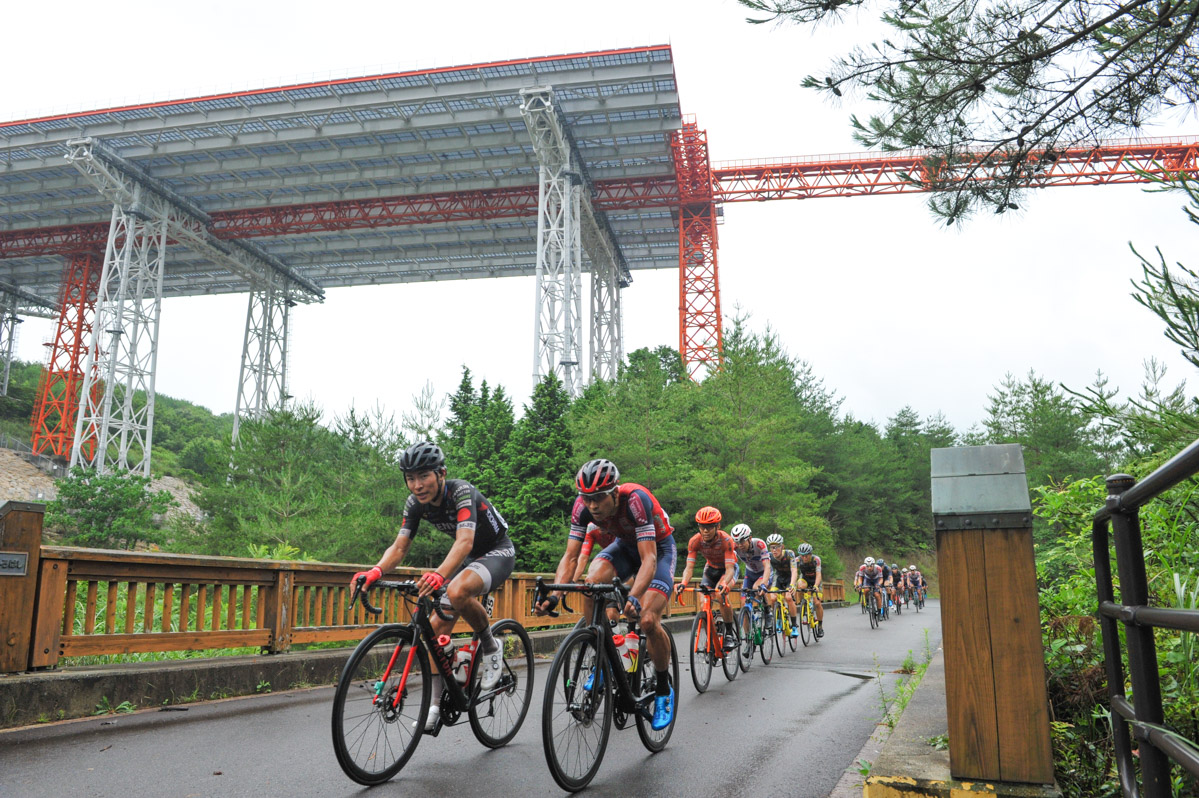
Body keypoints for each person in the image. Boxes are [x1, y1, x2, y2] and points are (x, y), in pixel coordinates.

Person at [351, 441, 515, 731]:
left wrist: (439, 575)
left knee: (456, 589)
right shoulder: (415, 504)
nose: (417, 485)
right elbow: (400, 547)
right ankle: (437, 706)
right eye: (410, 478)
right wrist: (375, 571)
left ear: (441, 473)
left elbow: (464, 541)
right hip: (468, 560)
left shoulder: (461, 491)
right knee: (435, 629)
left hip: (496, 552)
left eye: (424, 476)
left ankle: (491, 646)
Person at [534, 459, 677, 731]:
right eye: (587, 498)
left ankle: (662, 688)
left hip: (658, 551)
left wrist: (634, 597)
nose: (593, 505)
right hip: (624, 547)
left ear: (614, 492)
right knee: (591, 583)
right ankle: (604, 656)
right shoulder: (582, 507)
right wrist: (553, 594)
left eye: (599, 497)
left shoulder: (636, 499)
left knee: (647, 620)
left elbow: (648, 559)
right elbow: (571, 556)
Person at [675, 506, 738, 650]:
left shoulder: (726, 540)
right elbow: (689, 568)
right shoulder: (695, 541)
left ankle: (729, 634)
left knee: (720, 594)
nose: (705, 531)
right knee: (703, 601)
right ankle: (711, 635)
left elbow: (729, 570)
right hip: (710, 569)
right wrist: (683, 583)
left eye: (709, 527)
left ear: (718, 526)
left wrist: (724, 584)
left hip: (728, 570)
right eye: (702, 527)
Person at [764, 534, 800, 638]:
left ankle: (794, 625)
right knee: (773, 597)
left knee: (789, 597)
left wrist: (793, 585)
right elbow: (768, 571)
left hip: (789, 577)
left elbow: (794, 570)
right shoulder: (769, 556)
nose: (774, 550)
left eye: (777, 547)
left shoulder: (789, 554)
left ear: (782, 547)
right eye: (772, 547)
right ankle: (778, 617)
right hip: (778, 577)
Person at [731, 524, 772, 598]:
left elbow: (767, 566)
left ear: (750, 538)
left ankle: (765, 607)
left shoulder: (759, 544)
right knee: (743, 598)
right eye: (737, 542)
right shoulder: (734, 547)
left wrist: (763, 583)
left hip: (763, 572)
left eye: (742, 541)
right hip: (750, 573)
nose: (740, 545)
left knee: (756, 587)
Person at [795, 542, 824, 637]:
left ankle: (820, 626)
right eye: (802, 555)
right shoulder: (797, 560)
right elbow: (793, 573)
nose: (804, 558)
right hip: (805, 579)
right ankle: (803, 604)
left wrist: (816, 585)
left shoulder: (816, 559)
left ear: (810, 554)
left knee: (817, 603)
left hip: (816, 580)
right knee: (800, 586)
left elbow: (819, 574)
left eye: (806, 555)